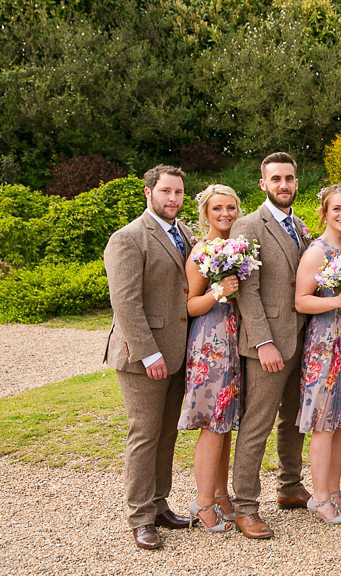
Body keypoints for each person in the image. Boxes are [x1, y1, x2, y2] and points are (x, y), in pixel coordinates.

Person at [103, 164, 193, 550]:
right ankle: (139, 517)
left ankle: (159, 504)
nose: (172, 199)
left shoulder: (185, 232)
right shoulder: (128, 238)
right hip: (143, 356)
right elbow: (125, 303)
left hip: (178, 351)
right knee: (144, 434)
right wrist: (148, 353)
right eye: (166, 192)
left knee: (167, 433)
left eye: (178, 193)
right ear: (148, 193)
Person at [230, 152, 310, 539]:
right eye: (276, 179)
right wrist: (263, 341)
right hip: (268, 345)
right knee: (257, 423)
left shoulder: (299, 225)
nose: (284, 185)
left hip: (301, 340)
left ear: (297, 182)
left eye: (289, 178)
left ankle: (290, 486)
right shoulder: (248, 226)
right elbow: (248, 291)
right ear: (263, 184)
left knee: (294, 420)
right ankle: (245, 506)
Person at [294, 185, 341, 525]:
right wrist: (336, 301)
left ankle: (335, 490)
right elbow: (301, 300)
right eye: (336, 209)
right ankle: (320, 496)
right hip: (326, 344)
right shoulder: (317, 251)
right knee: (324, 423)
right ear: (324, 213)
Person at [177, 184, 245, 533]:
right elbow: (191, 305)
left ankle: (220, 494)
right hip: (211, 343)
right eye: (218, 208)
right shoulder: (201, 252)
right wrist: (219, 291)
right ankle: (202, 504)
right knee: (212, 424)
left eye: (230, 208)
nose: (225, 214)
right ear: (206, 213)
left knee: (226, 423)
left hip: (235, 340)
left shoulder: (240, 247)